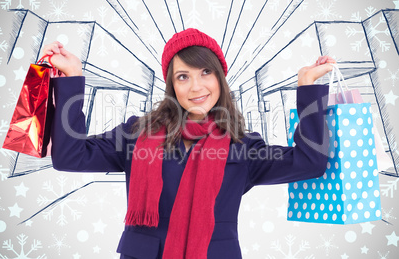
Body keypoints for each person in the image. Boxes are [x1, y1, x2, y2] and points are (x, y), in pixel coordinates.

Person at [42, 28, 335, 259]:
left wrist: (307, 88)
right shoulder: (136, 133)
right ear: (172, 85)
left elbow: (310, 162)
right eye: (183, 76)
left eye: (206, 72)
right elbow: (70, 157)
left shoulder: (243, 146)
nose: (196, 87)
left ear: (220, 78)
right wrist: (72, 78)